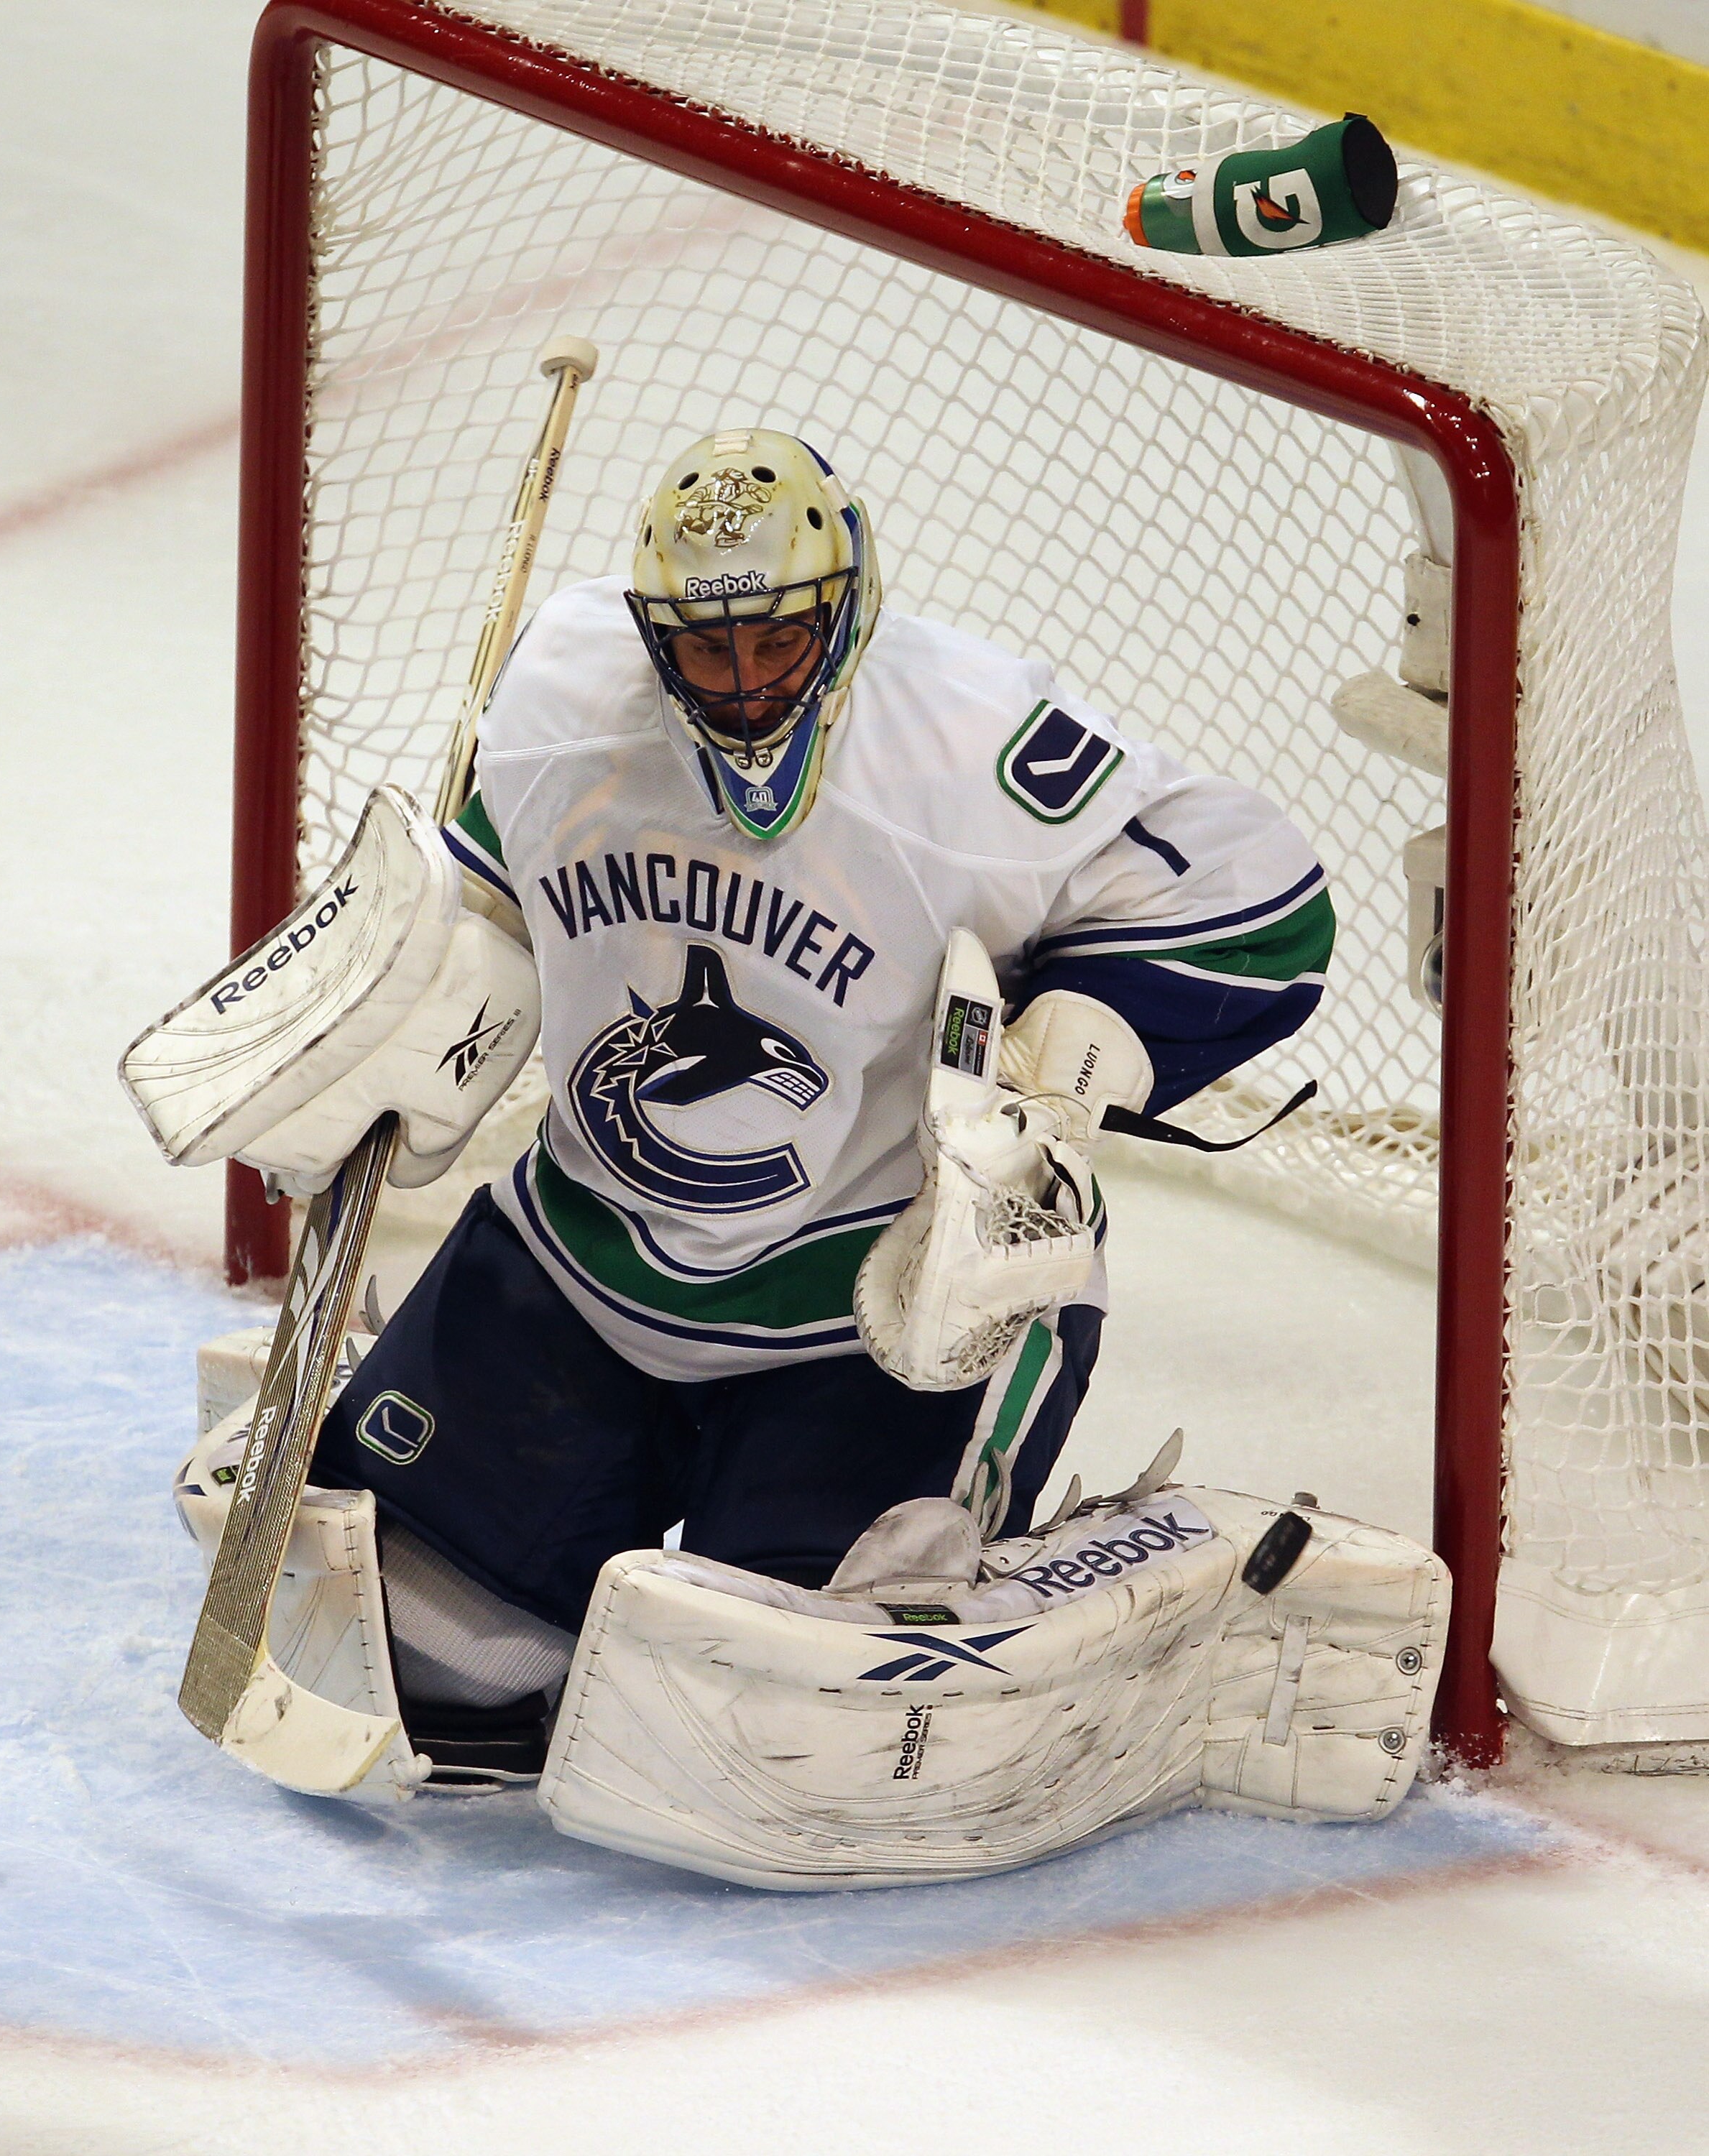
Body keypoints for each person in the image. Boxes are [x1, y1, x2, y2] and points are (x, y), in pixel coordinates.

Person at [277, 427, 1335, 1777]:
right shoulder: (560, 700)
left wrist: (1081, 1052)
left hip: (874, 1311)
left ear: (847, 608)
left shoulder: (971, 750)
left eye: (776, 643)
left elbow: (1266, 903)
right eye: (704, 651)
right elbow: (479, 898)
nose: (742, 687)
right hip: (585, 1259)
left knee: (792, 1712)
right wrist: (391, 1010)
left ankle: (1082, 1577)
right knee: (421, 1658)